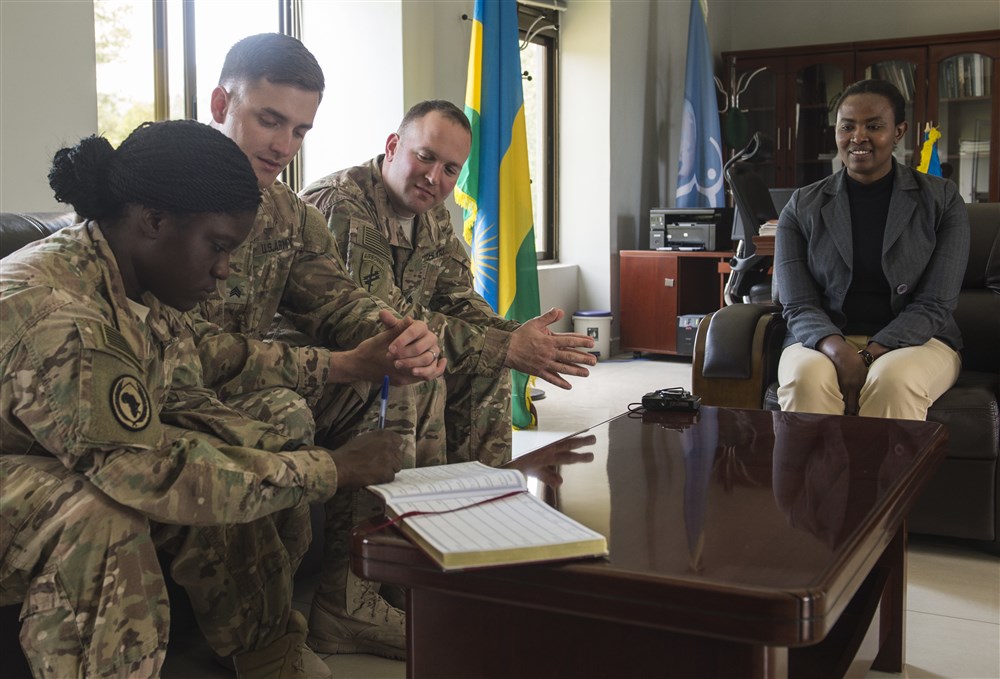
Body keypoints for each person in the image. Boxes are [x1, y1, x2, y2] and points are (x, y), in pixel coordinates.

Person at [202, 38, 595, 660]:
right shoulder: (331, 205)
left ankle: (472, 539)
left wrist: (505, 338)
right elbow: (336, 321)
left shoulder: (303, 210)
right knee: (404, 378)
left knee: (442, 363)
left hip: (301, 368)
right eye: (269, 120)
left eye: (299, 130)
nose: (283, 145)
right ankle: (354, 597)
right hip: (268, 375)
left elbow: (360, 302)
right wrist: (409, 345)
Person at [0, 120, 404, 679]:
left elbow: (204, 356)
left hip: (54, 450)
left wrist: (340, 368)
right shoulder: (58, 312)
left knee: (239, 444)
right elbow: (151, 475)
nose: (224, 269)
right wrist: (329, 469)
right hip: (23, 472)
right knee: (100, 512)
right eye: (218, 247)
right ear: (154, 220)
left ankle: (268, 655)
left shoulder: (127, 272)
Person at [300, 99, 598, 469]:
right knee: (419, 374)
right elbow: (385, 321)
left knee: (486, 369)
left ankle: (479, 498)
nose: (433, 177)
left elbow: (456, 297)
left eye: (450, 169)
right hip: (325, 368)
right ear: (393, 146)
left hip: (386, 357)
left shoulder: (431, 214)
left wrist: (519, 338)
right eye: (425, 157)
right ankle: (402, 519)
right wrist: (504, 346)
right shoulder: (343, 204)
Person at [773, 78, 969, 420]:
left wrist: (870, 353)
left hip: (921, 340)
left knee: (893, 380)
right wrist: (837, 349)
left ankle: (884, 477)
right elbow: (798, 302)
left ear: (898, 132)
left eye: (874, 126)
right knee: (806, 379)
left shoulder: (942, 199)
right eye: (847, 126)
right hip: (821, 340)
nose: (857, 137)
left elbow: (936, 302)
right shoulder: (802, 205)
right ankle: (812, 477)